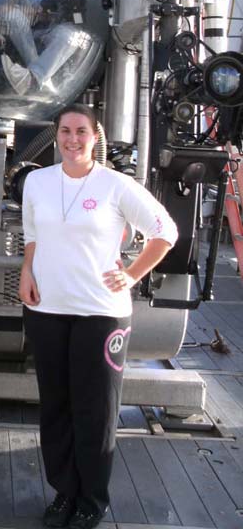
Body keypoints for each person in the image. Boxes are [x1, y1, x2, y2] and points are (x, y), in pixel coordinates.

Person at [19, 104, 177, 529]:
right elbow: (31, 234)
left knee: (96, 411)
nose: (73, 140)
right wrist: (26, 272)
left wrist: (131, 275)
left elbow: (166, 232)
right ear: (56, 135)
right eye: (66, 131)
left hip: (100, 315)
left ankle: (92, 499)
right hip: (47, 308)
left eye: (81, 132)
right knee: (56, 406)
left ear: (96, 136)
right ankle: (63, 493)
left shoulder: (115, 185)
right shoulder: (37, 181)